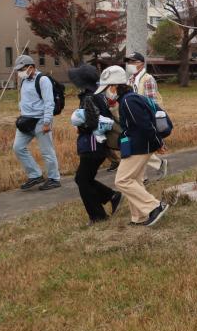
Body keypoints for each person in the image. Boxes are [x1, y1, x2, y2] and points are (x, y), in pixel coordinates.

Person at [102, 66, 169, 226]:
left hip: (139, 146)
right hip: (139, 145)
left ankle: (155, 206)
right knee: (135, 180)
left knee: (122, 180)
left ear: (114, 86)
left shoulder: (128, 101)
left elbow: (144, 126)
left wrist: (157, 143)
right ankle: (139, 217)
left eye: (106, 88)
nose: (105, 92)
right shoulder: (128, 99)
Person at [69, 64, 122, 224]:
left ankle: (98, 215)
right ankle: (111, 196)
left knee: (83, 179)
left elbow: (92, 122)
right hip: (98, 145)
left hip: (92, 144)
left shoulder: (89, 97)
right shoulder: (98, 93)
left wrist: (78, 122)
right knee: (84, 178)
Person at [13, 54, 61, 191]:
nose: (20, 72)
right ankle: (35, 175)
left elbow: (49, 103)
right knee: (18, 147)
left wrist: (47, 122)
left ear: (31, 67)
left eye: (22, 69)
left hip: (41, 121)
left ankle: (54, 178)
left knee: (46, 151)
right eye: (18, 70)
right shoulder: (24, 81)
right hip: (26, 121)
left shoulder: (43, 80)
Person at [125, 52, 168, 180]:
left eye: (133, 62)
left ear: (141, 63)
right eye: (128, 62)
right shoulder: (131, 80)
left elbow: (152, 102)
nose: (129, 65)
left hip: (144, 117)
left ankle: (151, 170)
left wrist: (149, 120)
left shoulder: (147, 79)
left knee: (140, 147)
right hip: (134, 117)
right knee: (139, 147)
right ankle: (143, 177)